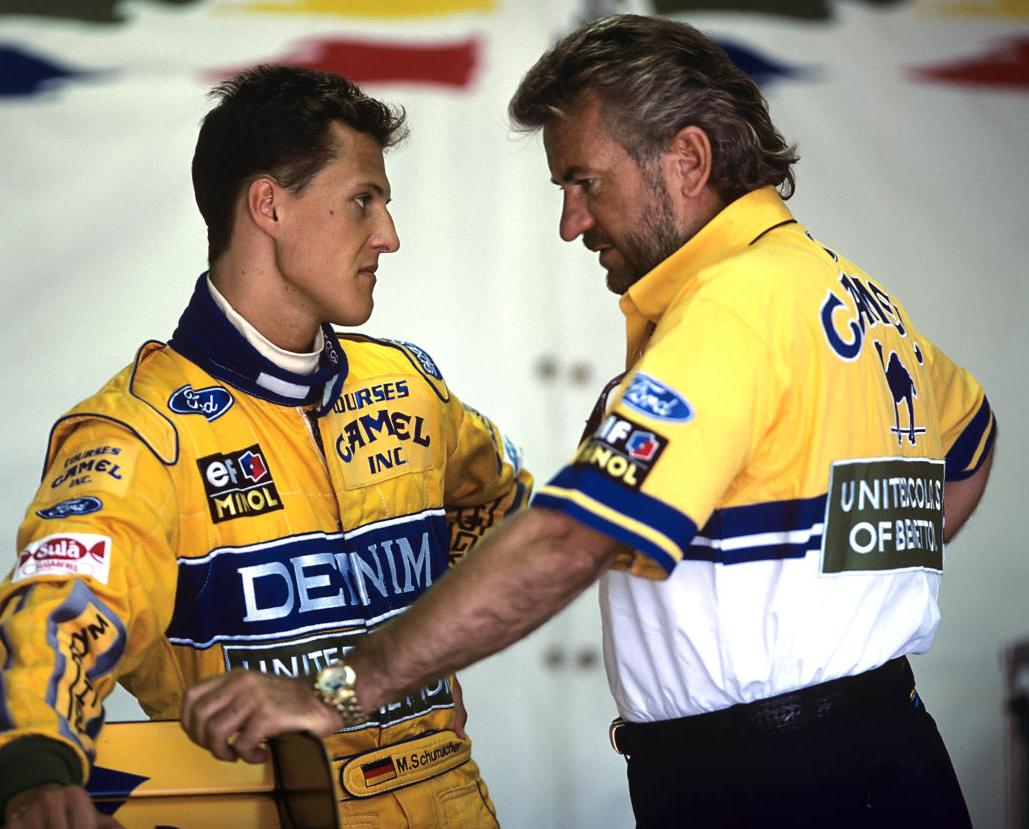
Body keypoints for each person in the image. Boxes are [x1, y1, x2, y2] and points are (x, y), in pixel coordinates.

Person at [175, 15, 998, 829]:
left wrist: (336, 690)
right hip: (881, 754)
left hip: (776, 783)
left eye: (584, 182)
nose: (571, 222)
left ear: (687, 160)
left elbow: (568, 540)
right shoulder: (840, 290)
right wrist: (848, 607)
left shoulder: (732, 314)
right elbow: (970, 446)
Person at [0, 64, 531, 828]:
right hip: (265, 808)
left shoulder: (407, 386)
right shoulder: (140, 431)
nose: (388, 236)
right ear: (268, 206)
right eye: (363, 201)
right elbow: (58, 609)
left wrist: (425, 626)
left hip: (451, 800)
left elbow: (508, 510)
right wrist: (36, 765)